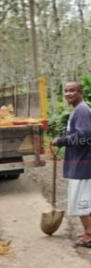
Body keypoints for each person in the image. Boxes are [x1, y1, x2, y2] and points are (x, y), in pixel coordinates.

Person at [52, 81, 91, 247]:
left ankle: (89, 235)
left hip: (83, 163)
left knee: (82, 202)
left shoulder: (82, 109)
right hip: (80, 162)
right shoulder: (78, 109)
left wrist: (62, 141)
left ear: (80, 92)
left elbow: (85, 134)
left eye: (72, 90)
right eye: (66, 91)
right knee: (85, 201)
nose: (68, 94)